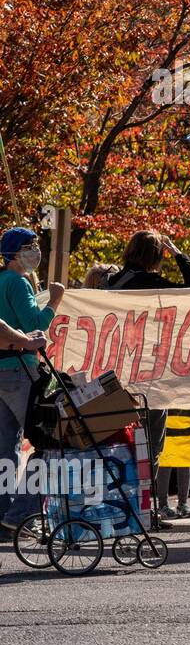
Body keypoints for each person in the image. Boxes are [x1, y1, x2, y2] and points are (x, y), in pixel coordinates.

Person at [107, 230, 190, 528]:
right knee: (151, 446)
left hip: (118, 375)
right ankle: (147, 512)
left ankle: (124, 506)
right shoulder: (150, 283)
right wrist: (180, 256)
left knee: (122, 443)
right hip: (149, 375)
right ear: (156, 256)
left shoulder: (112, 283)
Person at [0, 228, 63, 536]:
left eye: (36, 246)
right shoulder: (17, 283)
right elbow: (34, 325)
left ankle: (4, 515)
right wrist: (55, 300)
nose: (35, 252)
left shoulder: (2, 281)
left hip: (2, 369)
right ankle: (22, 511)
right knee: (49, 442)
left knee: (5, 448)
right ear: (14, 253)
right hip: (19, 371)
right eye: (29, 247)